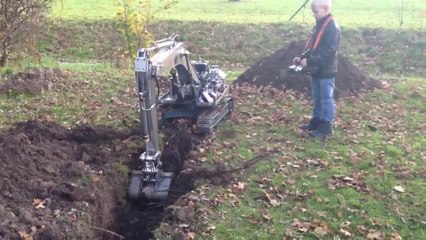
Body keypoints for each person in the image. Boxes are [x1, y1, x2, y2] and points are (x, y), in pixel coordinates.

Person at [293, 0, 341, 138]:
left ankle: (326, 126)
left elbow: (329, 51)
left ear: (325, 9)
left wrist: (311, 60)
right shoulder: (319, 26)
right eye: (313, 11)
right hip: (316, 70)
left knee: (326, 98)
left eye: (316, 12)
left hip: (326, 70)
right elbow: (312, 46)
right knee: (317, 97)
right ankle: (316, 121)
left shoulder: (332, 27)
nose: (313, 14)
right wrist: (302, 57)